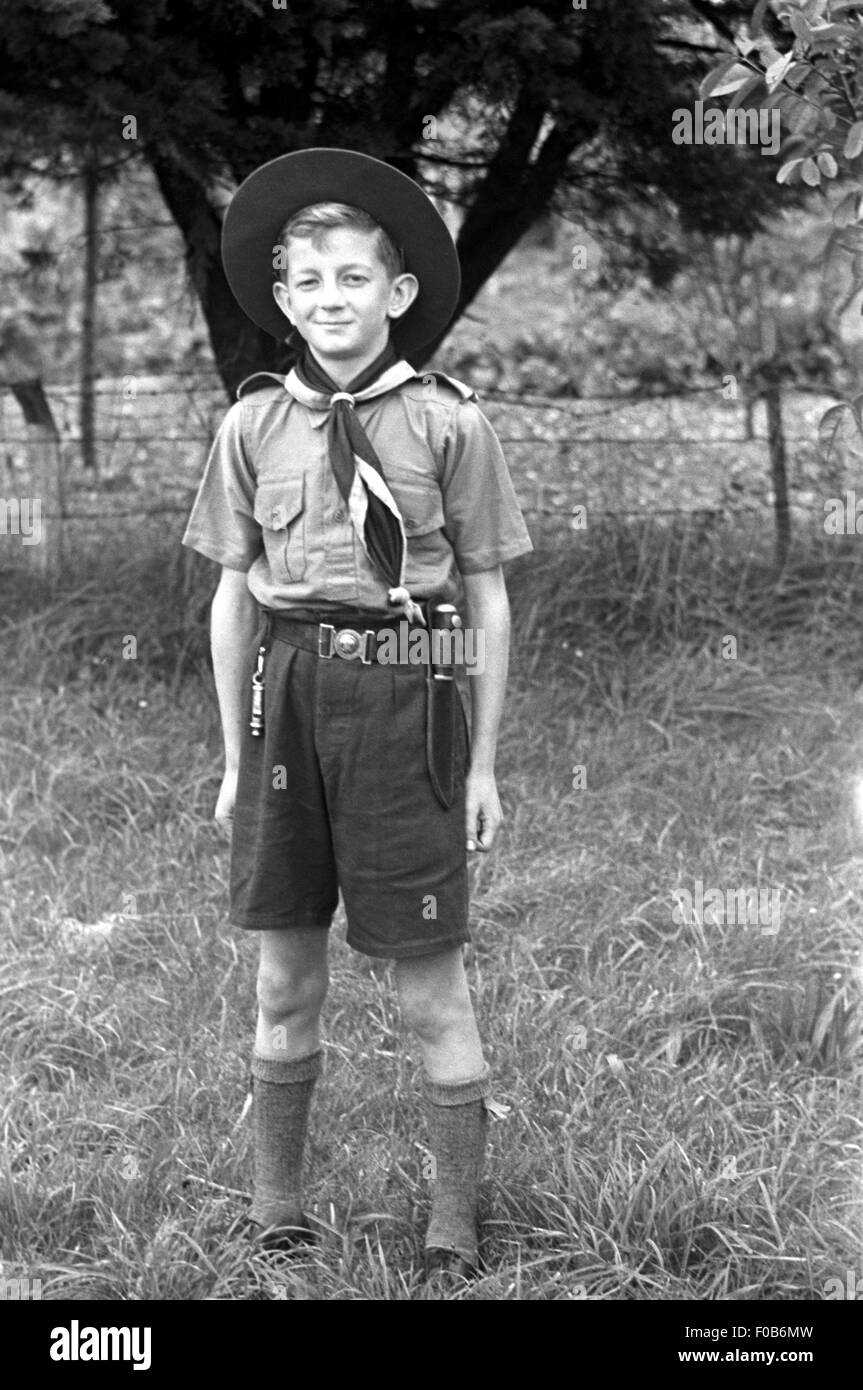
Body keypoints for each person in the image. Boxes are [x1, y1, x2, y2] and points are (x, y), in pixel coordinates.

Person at [182, 148, 533, 1282]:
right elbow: (234, 595)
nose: (331, 300)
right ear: (284, 301)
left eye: (352, 279)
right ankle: (277, 1206)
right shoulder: (250, 429)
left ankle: (451, 1224)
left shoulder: (447, 426)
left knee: (429, 975)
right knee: (283, 974)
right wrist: (237, 757)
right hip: (287, 692)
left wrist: (479, 765)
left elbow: (482, 591)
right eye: (310, 282)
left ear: (395, 295)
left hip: (410, 685)